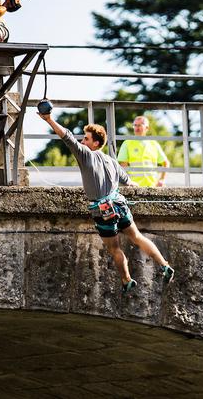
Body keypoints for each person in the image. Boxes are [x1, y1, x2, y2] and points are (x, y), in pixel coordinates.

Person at [38, 112, 175, 293]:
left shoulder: (86, 155)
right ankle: (164, 265)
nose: (82, 142)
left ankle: (127, 280)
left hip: (104, 210)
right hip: (120, 204)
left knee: (114, 248)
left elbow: (66, 136)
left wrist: (49, 119)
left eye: (86, 139)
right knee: (137, 237)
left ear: (95, 143)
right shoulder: (112, 161)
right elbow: (129, 181)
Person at [117, 116, 170, 187]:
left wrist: (162, 180)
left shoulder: (153, 144)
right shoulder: (127, 143)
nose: (136, 128)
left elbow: (165, 163)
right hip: (134, 187)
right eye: (135, 125)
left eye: (139, 125)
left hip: (153, 186)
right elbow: (123, 165)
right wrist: (128, 182)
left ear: (147, 128)